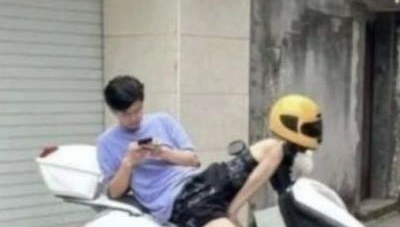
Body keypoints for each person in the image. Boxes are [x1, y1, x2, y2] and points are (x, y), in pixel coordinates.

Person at [97, 75, 323, 227]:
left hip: (205, 179)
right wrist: (128, 162)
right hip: (179, 203)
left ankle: (236, 209)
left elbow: (193, 161)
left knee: (273, 147)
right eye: (126, 114)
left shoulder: (162, 121)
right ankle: (229, 214)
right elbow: (114, 193)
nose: (134, 118)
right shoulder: (107, 143)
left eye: (138, 110)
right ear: (114, 112)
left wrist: (163, 152)